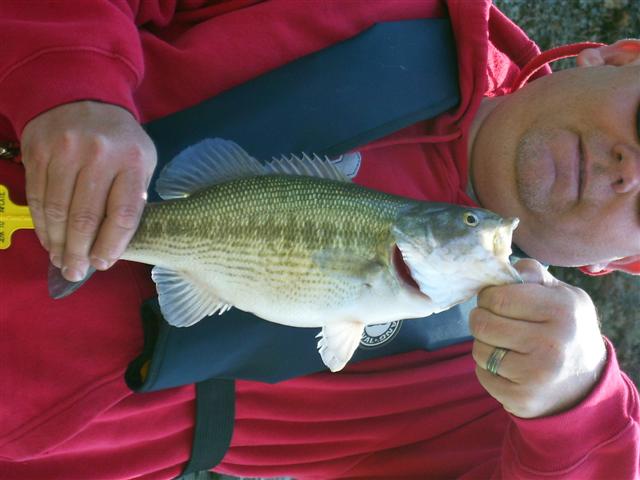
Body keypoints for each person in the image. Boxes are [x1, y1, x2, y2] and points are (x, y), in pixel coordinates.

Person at [0, 1, 638, 478]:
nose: (628, 170)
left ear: (621, 263)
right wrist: (71, 81)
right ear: (616, 58)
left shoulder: (498, 400)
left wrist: (577, 414)